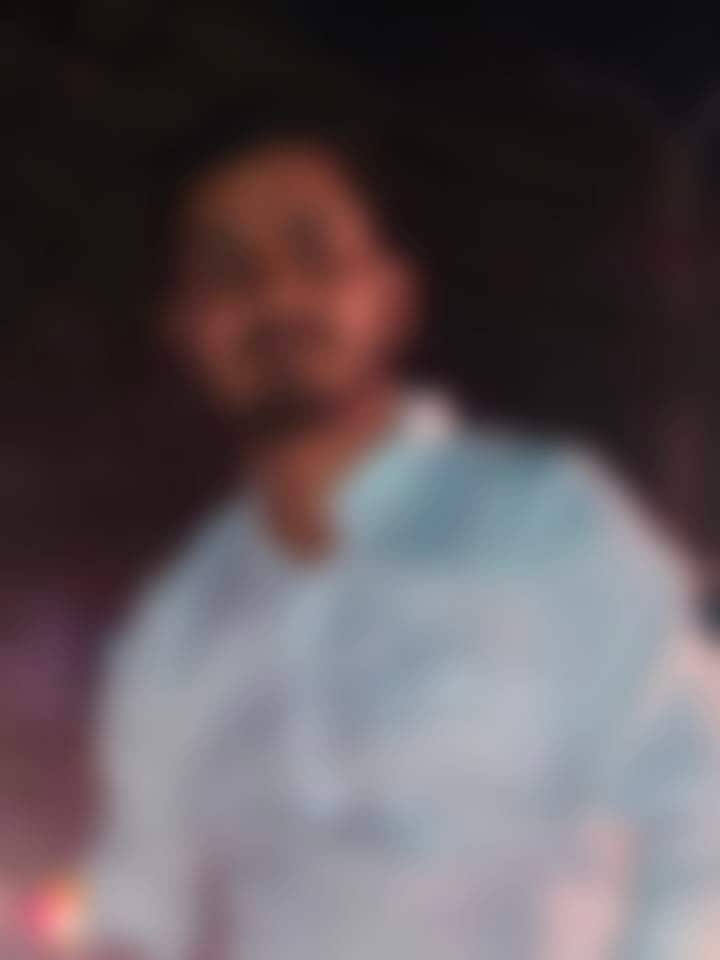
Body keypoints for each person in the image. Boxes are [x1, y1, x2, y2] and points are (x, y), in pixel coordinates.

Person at [80, 103, 720, 959]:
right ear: (185, 328)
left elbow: (700, 810)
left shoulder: (545, 522)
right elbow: (137, 910)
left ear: (392, 295)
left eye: (313, 253)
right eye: (226, 269)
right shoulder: (179, 625)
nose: (274, 295)